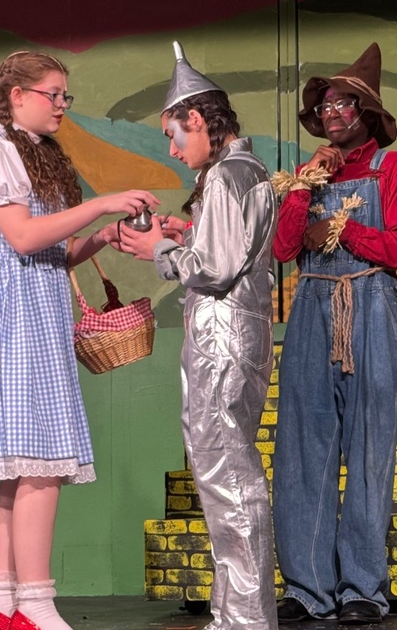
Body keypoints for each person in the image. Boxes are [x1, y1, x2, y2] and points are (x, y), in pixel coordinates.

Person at [0, 51, 159, 630]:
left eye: (65, 96)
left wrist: (103, 234)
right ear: (16, 96)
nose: (61, 105)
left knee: (21, 463)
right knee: (39, 461)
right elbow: (23, 237)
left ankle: (4, 602)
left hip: (37, 303)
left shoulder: (43, 156)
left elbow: (54, 252)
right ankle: (35, 600)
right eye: (53, 94)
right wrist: (101, 202)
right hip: (4, 311)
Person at [119, 42, 280, 630]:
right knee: (225, 468)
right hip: (237, 331)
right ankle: (234, 610)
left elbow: (213, 267)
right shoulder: (247, 171)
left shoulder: (229, 175)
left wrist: (157, 249)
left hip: (223, 335)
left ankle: (244, 618)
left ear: (197, 120)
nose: (172, 148)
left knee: (225, 473)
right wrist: (185, 234)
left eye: (173, 134)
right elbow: (227, 249)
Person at [271, 43, 397, 626]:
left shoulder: (396, 169)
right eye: (327, 105)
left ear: (366, 113)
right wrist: (306, 192)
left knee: (369, 445)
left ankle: (362, 586)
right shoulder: (306, 175)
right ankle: (308, 588)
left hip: (369, 301)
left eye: (345, 104)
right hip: (311, 304)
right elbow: (286, 249)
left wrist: (342, 232)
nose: (333, 113)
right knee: (304, 446)